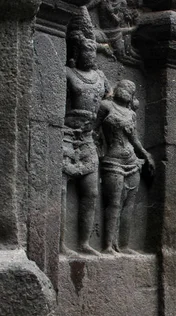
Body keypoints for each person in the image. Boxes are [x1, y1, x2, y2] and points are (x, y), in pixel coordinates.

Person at [62, 6, 110, 256]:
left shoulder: (101, 76)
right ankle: (60, 244)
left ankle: (83, 243)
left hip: (90, 137)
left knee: (91, 191)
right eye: (86, 50)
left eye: (93, 50)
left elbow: (110, 102)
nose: (91, 54)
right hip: (67, 135)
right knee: (61, 188)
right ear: (77, 52)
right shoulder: (68, 73)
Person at [97, 79, 154, 254]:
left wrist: (146, 154)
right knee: (114, 203)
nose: (126, 90)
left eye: (130, 89)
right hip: (113, 160)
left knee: (129, 204)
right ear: (117, 89)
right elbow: (93, 129)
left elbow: (134, 139)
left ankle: (123, 245)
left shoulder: (131, 114)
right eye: (123, 86)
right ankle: (107, 246)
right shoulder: (105, 106)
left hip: (131, 161)